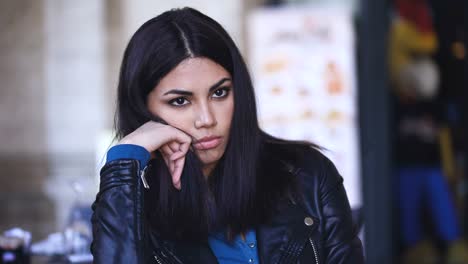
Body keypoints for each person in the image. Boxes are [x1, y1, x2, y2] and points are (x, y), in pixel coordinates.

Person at [91, 7, 363, 264]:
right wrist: (126, 156)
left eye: (219, 93)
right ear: (143, 108)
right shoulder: (131, 203)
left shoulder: (307, 175)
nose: (207, 119)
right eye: (180, 101)